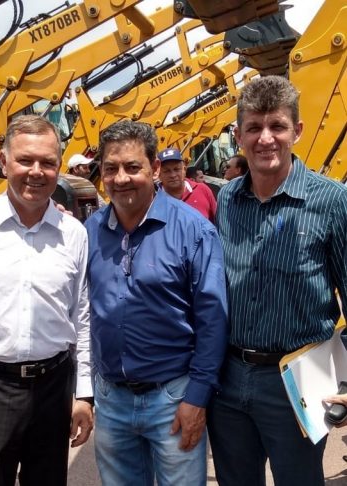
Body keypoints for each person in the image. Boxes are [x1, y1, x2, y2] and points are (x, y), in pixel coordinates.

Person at [208, 75, 347, 486]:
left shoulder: (331, 201)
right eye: (254, 127)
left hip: (298, 381)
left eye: (277, 126)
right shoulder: (228, 199)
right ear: (238, 136)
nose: (265, 138)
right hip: (229, 378)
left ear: (297, 131)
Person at [0, 114, 93, 486]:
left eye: (47, 162)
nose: (36, 172)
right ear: (3, 161)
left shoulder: (73, 234)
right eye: (25, 160)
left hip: (54, 387)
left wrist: (84, 393)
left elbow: (82, 317)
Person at [85, 120, 228, 486]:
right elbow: (81, 313)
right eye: (111, 168)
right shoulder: (90, 232)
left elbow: (212, 320)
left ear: (155, 168)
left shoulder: (193, 230)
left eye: (132, 167)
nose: (121, 178)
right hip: (111, 399)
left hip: (173, 398)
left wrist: (197, 398)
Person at [158, 147, 217, 222]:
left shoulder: (202, 190)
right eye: (167, 171)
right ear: (159, 174)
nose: (173, 175)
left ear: (184, 170)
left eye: (176, 169)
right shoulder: (153, 199)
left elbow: (218, 222)